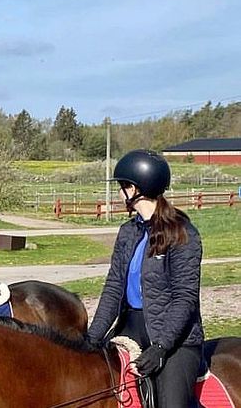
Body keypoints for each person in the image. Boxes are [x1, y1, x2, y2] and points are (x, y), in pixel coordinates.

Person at [86, 149, 204, 408]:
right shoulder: (128, 231)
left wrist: (161, 347)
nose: (120, 193)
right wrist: (91, 338)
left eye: (123, 186)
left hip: (175, 338)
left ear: (138, 188)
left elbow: (185, 299)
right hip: (131, 328)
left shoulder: (182, 234)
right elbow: (114, 287)